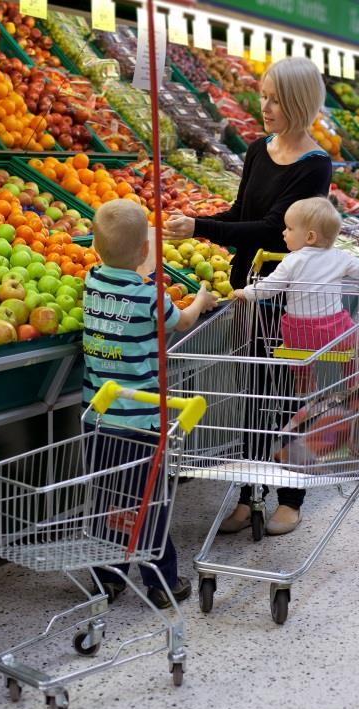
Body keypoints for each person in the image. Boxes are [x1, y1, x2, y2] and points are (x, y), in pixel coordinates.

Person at [164, 57, 333, 536]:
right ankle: (248, 493)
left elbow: (272, 231)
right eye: (262, 96)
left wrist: (202, 226)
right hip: (249, 290)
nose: (265, 106)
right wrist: (195, 225)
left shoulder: (315, 166)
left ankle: (292, 497)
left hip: (289, 293)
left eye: (275, 99)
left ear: (299, 102)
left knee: (286, 393)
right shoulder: (259, 150)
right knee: (254, 393)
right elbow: (242, 212)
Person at [83, 198, 217, 608]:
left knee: (109, 498)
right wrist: (202, 299)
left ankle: (108, 576)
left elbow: (124, 294)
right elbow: (183, 321)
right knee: (149, 501)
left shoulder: (90, 281)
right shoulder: (151, 296)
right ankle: (162, 581)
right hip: (142, 420)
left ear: (94, 247)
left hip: (99, 417)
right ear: (145, 251)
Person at [234, 197, 359, 393]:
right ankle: (357, 387)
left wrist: (245, 293)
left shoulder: (291, 261)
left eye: (289, 228)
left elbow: (268, 288)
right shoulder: (341, 258)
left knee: (300, 353)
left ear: (310, 237)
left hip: (297, 334)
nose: (283, 232)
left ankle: (304, 384)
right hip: (333, 333)